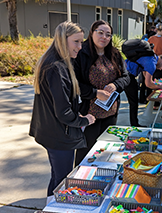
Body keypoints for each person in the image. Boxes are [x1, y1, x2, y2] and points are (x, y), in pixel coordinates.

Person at [29, 21, 96, 196]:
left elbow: (60, 104)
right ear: (62, 39)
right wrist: (84, 120)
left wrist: (76, 114)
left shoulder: (56, 62)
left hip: (53, 131)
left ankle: (50, 205)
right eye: (76, 42)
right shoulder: (56, 67)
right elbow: (63, 112)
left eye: (81, 42)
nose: (80, 47)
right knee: (62, 182)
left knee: (57, 177)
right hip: (58, 135)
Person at [74, 20, 130, 166]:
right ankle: (80, 183)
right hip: (89, 114)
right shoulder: (81, 53)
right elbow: (74, 83)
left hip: (110, 112)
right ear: (92, 33)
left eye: (108, 34)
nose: (104, 37)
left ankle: (101, 181)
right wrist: (95, 93)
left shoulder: (115, 54)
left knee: (105, 151)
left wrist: (115, 85)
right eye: (100, 32)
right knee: (85, 153)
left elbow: (126, 77)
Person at [124, 55, 162, 126]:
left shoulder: (150, 57)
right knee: (133, 102)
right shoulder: (152, 64)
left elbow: (145, 73)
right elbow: (148, 84)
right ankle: (134, 124)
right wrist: (159, 86)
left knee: (115, 98)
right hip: (128, 76)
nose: (161, 69)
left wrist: (153, 83)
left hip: (123, 70)